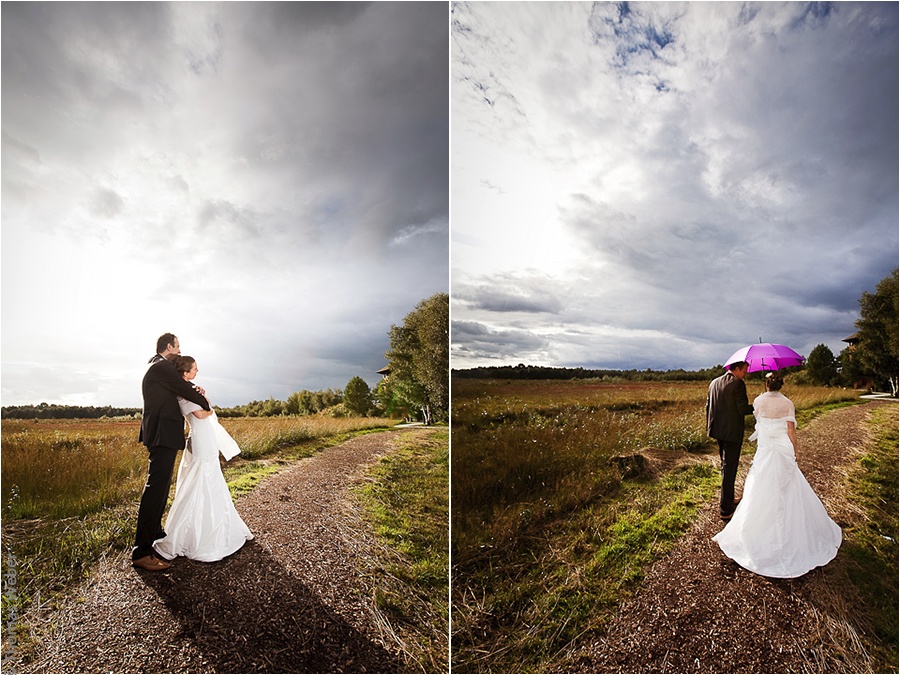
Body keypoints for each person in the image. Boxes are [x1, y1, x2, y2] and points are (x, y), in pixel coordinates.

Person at [713, 372, 841, 578]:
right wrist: (796, 450)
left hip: (765, 448)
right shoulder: (788, 403)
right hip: (781, 446)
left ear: (766, 383)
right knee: (789, 484)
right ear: (782, 384)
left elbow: (759, 421)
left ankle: (754, 531)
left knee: (760, 484)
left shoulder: (758, 401)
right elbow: (791, 431)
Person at [154, 355, 253, 562]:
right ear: (185, 373)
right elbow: (200, 414)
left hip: (205, 438)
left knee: (211, 477)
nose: (197, 372)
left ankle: (212, 524)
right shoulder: (181, 392)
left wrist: (203, 398)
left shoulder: (189, 389)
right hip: (200, 438)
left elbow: (203, 408)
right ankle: (194, 535)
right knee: (201, 477)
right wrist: (208, 407)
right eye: (194, 369)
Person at [133, 334, 211, 572]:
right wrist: (204, 399)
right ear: (169, 347)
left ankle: (155, 533)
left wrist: (192, 388)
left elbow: (181, 387)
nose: (180, 351)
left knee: (161, 486)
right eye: (178, 347)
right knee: (155, 489)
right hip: (162, 434)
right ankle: (141, 552)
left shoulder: (157, 366)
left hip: (161, 434)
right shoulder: (163, 366)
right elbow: (187, 392)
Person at [706, 361, 755, 520]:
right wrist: (757, 405)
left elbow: (709, 406)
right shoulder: (738, 383)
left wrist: (710, 427)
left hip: (717, 431)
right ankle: (726, 510)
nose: (745, 374)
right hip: (732, 433)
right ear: (737, 369)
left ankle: (729, 498)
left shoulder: (714, 382)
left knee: (725, 466)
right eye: (744, 370)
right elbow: (742, 409)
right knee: (729, 469)